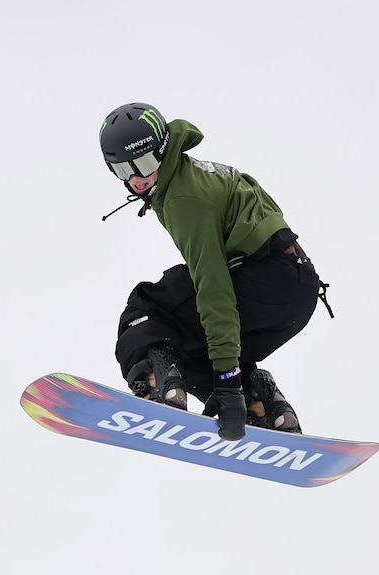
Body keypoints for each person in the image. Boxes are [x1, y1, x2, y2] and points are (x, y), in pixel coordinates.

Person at [99, 103, 333, 441]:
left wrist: (226, 381)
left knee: (146, 308)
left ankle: (156, 385)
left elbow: (214, 288)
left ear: (164, 151)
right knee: (188, 344)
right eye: (123, 170)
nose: (137, 179)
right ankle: (264, 406)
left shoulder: (183, 197)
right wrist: (230, 379)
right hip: (296, 293)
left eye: (145, 163)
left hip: (266, 279)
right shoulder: (197, 174)